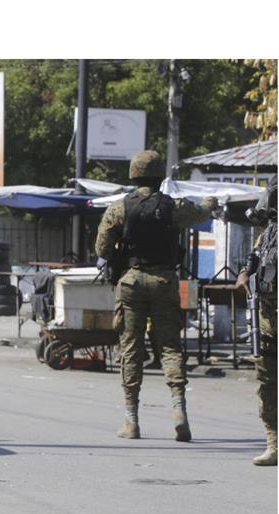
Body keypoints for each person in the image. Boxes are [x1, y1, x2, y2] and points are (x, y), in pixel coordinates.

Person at [95, 150, 217, 441]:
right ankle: (179, 412)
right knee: (170, 347)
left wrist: (120, 260)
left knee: (130, 348)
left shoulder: (119, 208)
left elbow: (102, 248)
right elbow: (201, 211)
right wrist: (210, 201)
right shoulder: (172, 207)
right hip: (165, 280)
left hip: (131, 282)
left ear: (134, 174)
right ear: (160, 175)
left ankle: (131, 420)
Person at [236, 178, 277, 466]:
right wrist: (243, 273)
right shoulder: (271, 231)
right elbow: (255, 257)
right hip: (267, 317)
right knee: (267, 379)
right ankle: (274, 443)